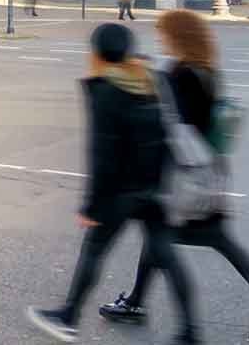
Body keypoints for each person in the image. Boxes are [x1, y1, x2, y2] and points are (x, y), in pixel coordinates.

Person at [101, 9, 249, 342]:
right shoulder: (207, 70)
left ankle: (186, 327)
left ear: (177, 37)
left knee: (161, 237)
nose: (161, 39)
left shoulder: (180, 75)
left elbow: (173, 124)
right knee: (189, 240)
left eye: (164, 34)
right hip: (210, 173)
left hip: (184, 177)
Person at [26, 21, 197, 343]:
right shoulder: (154, 78)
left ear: (98, 53)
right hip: (156, 187)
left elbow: (102, 152)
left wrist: (91, 206)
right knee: (168, 256)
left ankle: (69, 316)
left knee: (94, 250)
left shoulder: (104, 88)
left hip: (121, 191)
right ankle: (191, 331)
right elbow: (171, 128)